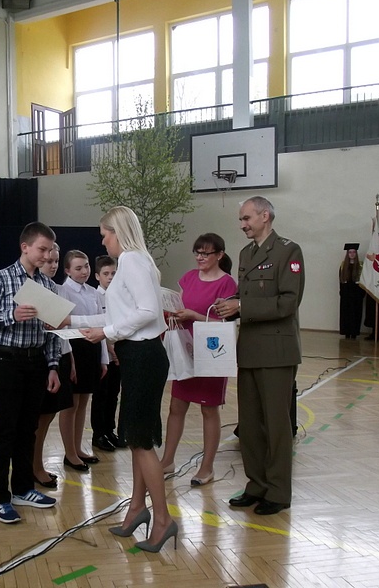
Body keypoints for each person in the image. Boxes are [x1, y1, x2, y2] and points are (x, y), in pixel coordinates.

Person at [67, 206, 178, 552]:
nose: (103, 241)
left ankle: (163, 520)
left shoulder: (131, 260)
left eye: (105, 235)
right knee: (134, 438)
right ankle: (136, 508)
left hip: (143, 357)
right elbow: (118, 314)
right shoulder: (135, 261)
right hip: (136, 356)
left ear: (119, 231)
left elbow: (147, 312)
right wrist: (74, 322)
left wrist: (108, 333)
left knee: (141, 442)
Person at [215, 196, 304, 516]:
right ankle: (257, 485)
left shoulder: (288, 251)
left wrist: (242, 306)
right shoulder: (246, 253)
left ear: (265, 216)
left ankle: (278, 491)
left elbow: (288, 302)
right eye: (241, 219)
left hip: (277, 351)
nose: (242, 224)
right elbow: (246, 296)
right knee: (250, 425)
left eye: (247, 218)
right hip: (250, 348)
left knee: (277, 425)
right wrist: (230, 304)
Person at [0, 222, 60, 524]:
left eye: (50, 250)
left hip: (36, 363)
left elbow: (51, 333)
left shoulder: (48, 285)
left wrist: (53, 366)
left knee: (28, 429)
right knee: (4, 430)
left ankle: (23, 489)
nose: (46, 256)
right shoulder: (1, 279)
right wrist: (10, 315)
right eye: (42, 249)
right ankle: (0, 498)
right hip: (5, 361)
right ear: (25, 247)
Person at [160, 233, 237, 486]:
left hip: (212, 351)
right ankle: (167, 460)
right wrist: (175, 313)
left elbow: (224, 323)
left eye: (206, 253)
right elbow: (181, 304)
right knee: (176, 406)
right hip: (185, 348)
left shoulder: (227, 284)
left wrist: (194, 315)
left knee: (208, 409)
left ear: (219, 255)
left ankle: (207, 467)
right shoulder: (189, 277)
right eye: (197, 252)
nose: (200, 257)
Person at [58, 250, 108, 468]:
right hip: (74, 348)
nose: (84, 271)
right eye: (78, 268)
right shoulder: (63, 291)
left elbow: (101, 326)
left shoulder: (93, 292)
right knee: (71, 404)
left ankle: (77, 448)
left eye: (86, 266)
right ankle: (69, 453)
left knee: (84, 402)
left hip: (92, 347)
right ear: (67, 270)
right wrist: (70, 358)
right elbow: (63, 326)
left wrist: (103, 359)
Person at [33, 243, 74, 488]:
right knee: (39, 418)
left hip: (59, 356)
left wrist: (69, 360)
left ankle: (36, 463)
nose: (53, 265)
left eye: (56, 261)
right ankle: (34, 465)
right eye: (49, 261)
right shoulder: (35, 290)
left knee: (48, 415)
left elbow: (62, 333)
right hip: (41, 359)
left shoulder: (54, 289)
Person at [93, 255, 124, 449]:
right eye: (106, 274)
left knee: (113, 393)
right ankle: (98, 434)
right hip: (104, 352)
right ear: (98, 276)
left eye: (114, 273)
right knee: (101, 395)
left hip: (118, 352)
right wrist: (109, 348)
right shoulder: (96, 296)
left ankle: (109, 430)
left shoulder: (119, 296)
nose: (111, 277)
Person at [339, 243, 365, 339]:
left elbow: (364, 281)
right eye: (350, 252)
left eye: (354, 252)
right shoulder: (343, 265)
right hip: (346, 294)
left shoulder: (360, 265)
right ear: (347, 254)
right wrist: (342, 292)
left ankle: (354, 333)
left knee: (355, 314)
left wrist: (361, 294)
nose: (352, 254)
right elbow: (341, 280)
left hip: (357, 294)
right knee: (346, 314)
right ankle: (346, 332)